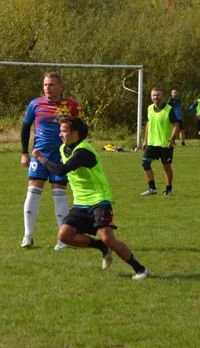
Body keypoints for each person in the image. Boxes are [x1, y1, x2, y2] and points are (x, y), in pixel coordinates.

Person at [32, 117, 150, 279]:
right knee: (64, 236)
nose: (60, 134)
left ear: (76, 133)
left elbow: (61, 171)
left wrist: (41, 159)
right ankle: (101, 247)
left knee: (108, 237)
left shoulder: (83, 152)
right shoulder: (64, 148)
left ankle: (141, 270)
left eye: (64, 131)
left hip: (99, 199)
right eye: (61, 130)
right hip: (80, 202)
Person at [20, 72, 82, 250]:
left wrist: (75, 150)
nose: (47, 88)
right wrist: (24, 153)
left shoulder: (72, 106)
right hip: (38, 154)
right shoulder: (35, 104)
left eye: (52, 85)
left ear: (60, 87)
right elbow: (25, 128)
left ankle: (63, 239)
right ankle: (28, 235)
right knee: (32, 191)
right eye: (45, 85)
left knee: (59, 195)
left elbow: (82, 129)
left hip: (61, 155)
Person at [140, 87, 181, 196]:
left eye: (158, 95)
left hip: (165, 143)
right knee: (145, 163)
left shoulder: (169, 109)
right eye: (154, 95)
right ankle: (152, 188)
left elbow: (176, 125)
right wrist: (145, 140)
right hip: (152, 143)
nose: (156, 97)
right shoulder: (149, 108)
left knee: (166, 167)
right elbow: (148, 124)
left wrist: (172, 138)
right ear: (151, 96)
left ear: (162, 96)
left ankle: (168, 189)